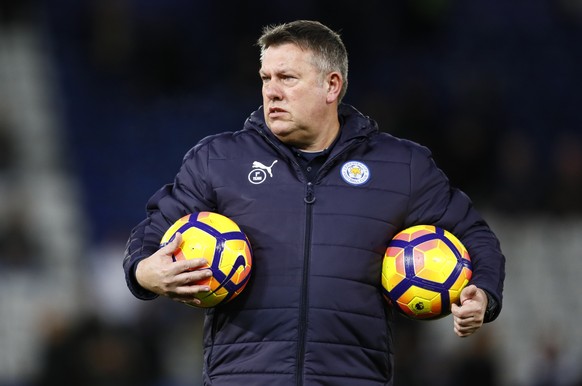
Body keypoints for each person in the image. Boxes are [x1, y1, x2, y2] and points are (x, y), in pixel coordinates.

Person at [123, 19, 505, 386]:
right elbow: (151, 234)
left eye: (287, 78)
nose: (272, 91)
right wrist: (145, 273)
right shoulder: (218, 161)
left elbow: (476, 236)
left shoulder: (401, 166)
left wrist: (482, 294)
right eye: (266, 79)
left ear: (331, 86)